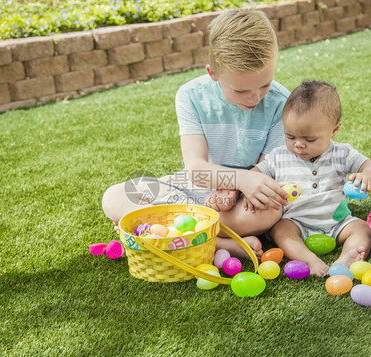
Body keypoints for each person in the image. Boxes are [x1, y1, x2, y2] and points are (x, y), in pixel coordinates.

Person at [102, 8, 291, 259]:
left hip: (240, 200)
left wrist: (237, 188)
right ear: (213, 73)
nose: (255, 97)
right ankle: (220, 244)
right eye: (241, 90)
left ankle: (173, 233)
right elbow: (195, 169)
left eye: (264, 84)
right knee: (114, 197)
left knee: (270, 212)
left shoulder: (281, 102)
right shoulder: (191, 96)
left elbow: (265, 172)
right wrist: (239, 180)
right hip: (190, 188)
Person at [245, 80, 371, 276]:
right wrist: (249, 189)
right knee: (280, 230)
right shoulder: (278, 156)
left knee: (362, 228)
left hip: (336, 221)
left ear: (334, 130)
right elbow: (254, 175)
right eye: (290, 137)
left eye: (309, 139)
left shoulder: (342, 153)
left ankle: (347, 257)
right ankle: (309, 260)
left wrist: (367, 176)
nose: (298, 145)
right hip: (296, 221)